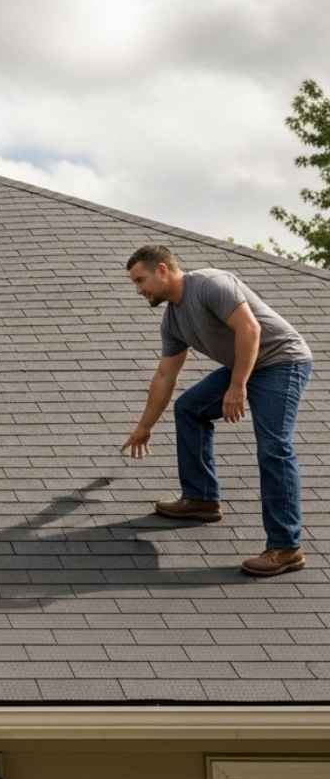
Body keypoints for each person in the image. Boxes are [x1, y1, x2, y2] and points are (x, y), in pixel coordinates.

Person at [121, 245, 314, 576]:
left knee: (274, 447)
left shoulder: (211, 284)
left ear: (162, 270)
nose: (139, 290)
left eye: (141, 281)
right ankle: (201, 499)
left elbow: (250, 329)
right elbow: (165, 375)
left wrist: (237, 386)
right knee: (189, 408)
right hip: (245, 366)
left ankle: (286, 548)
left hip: (283, 361)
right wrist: (144, 426)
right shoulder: (173, 321)